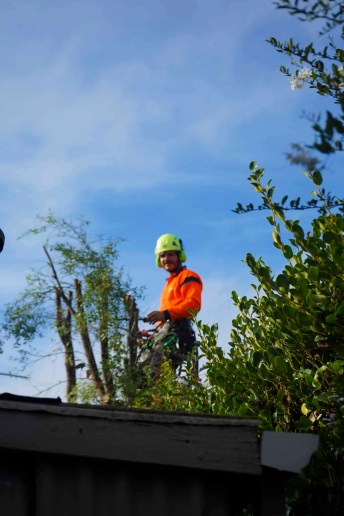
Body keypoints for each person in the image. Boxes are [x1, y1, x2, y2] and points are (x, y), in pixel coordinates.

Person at [139, 233, 203, 380]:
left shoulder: (188, 276)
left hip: (179, 332)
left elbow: (193, 305)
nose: (166, 259)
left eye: (170, 255)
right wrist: (152, 335)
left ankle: (159, 399)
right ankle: (153, 400)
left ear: (179, 256)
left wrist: (165, 314)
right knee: (143, 371)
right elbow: (166, 318)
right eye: (162, 256)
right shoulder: (169, 283)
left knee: (157, 371)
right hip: (166, 331)